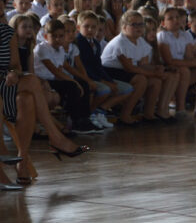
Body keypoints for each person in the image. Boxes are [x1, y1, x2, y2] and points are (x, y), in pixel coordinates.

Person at [0, 18, 88, 187]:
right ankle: (55, 137)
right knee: (32, 83)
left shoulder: (8, 34)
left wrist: (12, 72)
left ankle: (23, 162)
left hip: (9, 85)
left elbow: (16, 66)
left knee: (27, 98)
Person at [101, 11, 177, 124]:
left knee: (156, 81)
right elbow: (129, 68)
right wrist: (153, 73)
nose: (139, 28)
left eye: (141, 24)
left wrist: (157, 69)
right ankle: (125, 115)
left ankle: (149, 114)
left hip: (128, 71)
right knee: (141, 80)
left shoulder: (140, 41)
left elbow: (143, 64)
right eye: (134, 25)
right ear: (124, 27)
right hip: (111, 71)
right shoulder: (120, 42)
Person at [34, 19, 100, 134]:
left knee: (83, 84)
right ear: (45, 36)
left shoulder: (60, 49)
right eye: (54, 36)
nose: (58, 39)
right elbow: (55, 71)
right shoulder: (42, 49)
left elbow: (66, 68)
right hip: (42, 81)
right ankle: (75, 121)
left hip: (53, 80)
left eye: (61, 36)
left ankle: (84, 119)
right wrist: (74, 82)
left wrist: (86, 80)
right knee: (72, 86)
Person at [75, 11, 133, 128]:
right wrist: (103, 82)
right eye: (86, 26)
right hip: (86, 77)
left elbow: (98, 66)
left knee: (127, 89)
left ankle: (99, 111)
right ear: (78, 27)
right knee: (104, 90)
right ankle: (87, 115)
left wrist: (109, 80)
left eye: (94, 27)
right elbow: (84, 67)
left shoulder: (95, 43)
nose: (90, 30)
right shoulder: (78, 43)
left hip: (98, 77)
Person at [157, 7, 196, 117]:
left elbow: (188, 57)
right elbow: (169, 61)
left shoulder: (185, 35)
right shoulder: (163, 36)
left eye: (177, 17)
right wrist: (194, 63)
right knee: (184, 71)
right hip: (168, 70)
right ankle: (180, 109)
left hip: (183, 68)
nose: (175, 20)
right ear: (163, 23)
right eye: (170, 18)